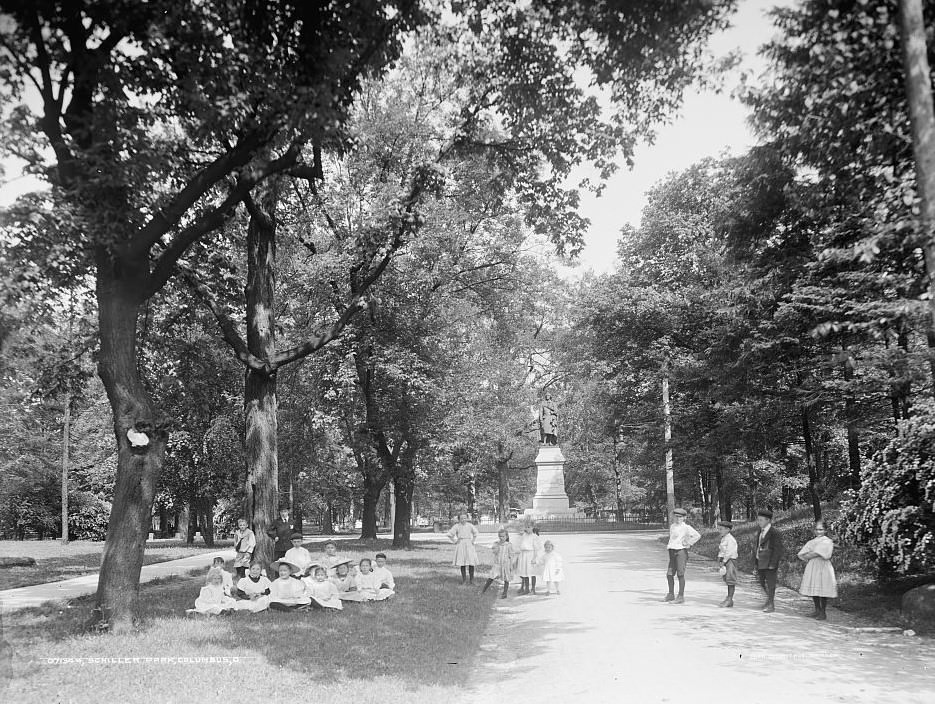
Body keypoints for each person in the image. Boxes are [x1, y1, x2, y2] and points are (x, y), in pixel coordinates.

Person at [797, 520, 837, 621]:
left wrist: (814, 553)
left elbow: (824, 554)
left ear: (825, 530)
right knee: (814, 586)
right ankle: (817, 609)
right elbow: (803, 553)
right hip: (813, 565)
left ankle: (823, 612)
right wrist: (814, 553)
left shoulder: (828, 541)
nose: (818, 532)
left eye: (821, 529)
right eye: (817, 529)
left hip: (823, 566)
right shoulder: (812, 541)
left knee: (822, 587)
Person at [664, 507, 701, 604]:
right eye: (676, 517)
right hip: (672, 551)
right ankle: (671, 594)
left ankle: (680, 596)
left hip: (681, 552)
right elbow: (672, 539)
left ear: (684, 518)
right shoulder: (672, 526)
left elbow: (697, 535)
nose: (677, 519)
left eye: (680, 517)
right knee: (669, 574)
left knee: (680, 574)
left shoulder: (686, 527)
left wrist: (688, 542)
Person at [754, 508, 785, 613]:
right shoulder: (760, 531)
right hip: (760, 561)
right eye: (758, 520)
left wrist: (773, 563)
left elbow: (777, 549)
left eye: (761, 520)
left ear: (768, 521)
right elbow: (758, 546)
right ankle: (768, 600)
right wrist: (756, 559)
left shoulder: (774, 533)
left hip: (770, 562)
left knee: (770, 583)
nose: (759, 522)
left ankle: (771, 604)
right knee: (761, 582)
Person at [482, 528, 517, 599]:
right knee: (492, 576)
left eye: (503, 536)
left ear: (506, 537)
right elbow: (494, 552)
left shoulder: (509, 545)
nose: (501, 538)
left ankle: (505, 593)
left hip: (505, 564)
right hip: (497, 563)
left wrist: (511, 565)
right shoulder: (496, 544)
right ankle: (483, 590)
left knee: (506, 578)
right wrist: (496, 548)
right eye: (500, 536)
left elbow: (511, 556)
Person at [446, 514, 479, 585]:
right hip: (461, 544)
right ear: (459, 519)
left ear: (467, 518)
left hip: (469, 544)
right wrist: (455, 541)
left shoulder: (470, 525)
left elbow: (475, 533)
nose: (463, 520)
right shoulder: (456, 526)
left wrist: (473, 540)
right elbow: (449, 534)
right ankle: (464, 580)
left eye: (465, 518)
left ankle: (472, 580)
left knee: (471, 562)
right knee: (462, 563)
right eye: (461, 518)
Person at [516, 521, 542, 595]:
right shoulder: (524, 535)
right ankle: (526, 588)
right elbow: (520, 543)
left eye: (529, 527)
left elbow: (536, 548)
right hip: (523, 555)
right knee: (524, 573)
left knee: (532, 572)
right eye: (526, 527)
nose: (527, 529)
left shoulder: (534, 537)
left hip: (531, 555)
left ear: (532, 528)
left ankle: (533, 588)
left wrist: (534, 558)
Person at [716, 520, 738, 608]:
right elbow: (722, 550)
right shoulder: (724, 538)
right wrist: (719, 560)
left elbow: (729, 552)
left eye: (721, 529)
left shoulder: (730, 539)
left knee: (730, 579)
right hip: (725, 560)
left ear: (727, 530)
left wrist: (724, 561)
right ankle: (729, 599)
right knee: (726, 578)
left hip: (730, 561)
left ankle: (729, 599)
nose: (719, 531)